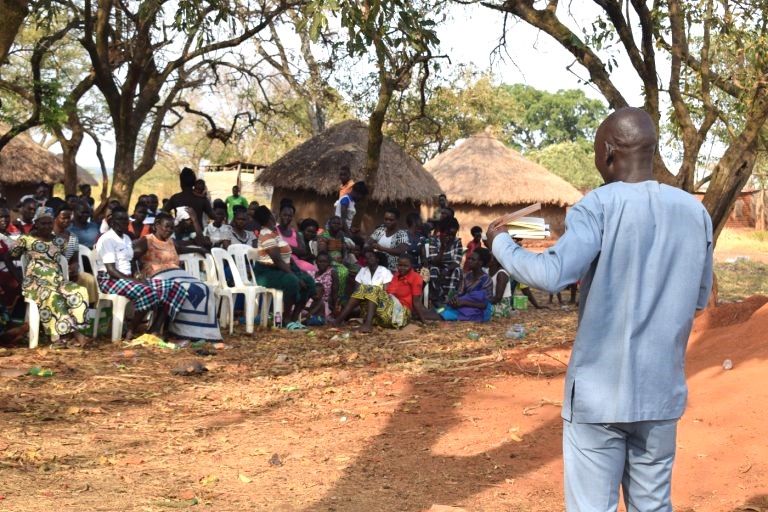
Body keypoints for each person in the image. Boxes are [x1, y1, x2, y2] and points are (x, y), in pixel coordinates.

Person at [487, 107, 714, 512]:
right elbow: (698, 299)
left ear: (608, 152)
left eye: (596, 151)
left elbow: (552, 273)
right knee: (653, 505)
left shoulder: (597, 206)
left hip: (598, 397)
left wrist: (500, 242)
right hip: (660, 395)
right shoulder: (694, 212)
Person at [95, 207, 188, 339]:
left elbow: (131, 261)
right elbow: (111, 270)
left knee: (174, 287)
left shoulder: (126, 238)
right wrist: (134, 280)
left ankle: (154, 330)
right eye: (120, 220)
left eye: (126, 220)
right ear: (112, 222)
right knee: (148, 291)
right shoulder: (107, 239)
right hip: (109, 280)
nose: (124, 222)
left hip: (126, 279)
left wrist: (137, 275)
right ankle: (131, 329)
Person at [9, 207, 90, 347]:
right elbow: (9, 256)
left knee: (79, 291)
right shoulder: (26, 239)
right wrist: (18, 277)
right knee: (53, 296)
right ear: (36, 223)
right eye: (43, 223)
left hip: (57, 280)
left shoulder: (59, 241)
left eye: (49, 223)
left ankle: (69, 334)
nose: (47, 226)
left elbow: (64, 260)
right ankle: (69, 335)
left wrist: (72, 268)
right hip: (35, 282)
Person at [133, 213, 222, 340]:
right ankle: (178, 329)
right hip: (156, 275)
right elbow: (131, 256)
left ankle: (199, 330)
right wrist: (137, 274)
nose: (169, 230)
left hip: (176, 273)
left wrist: (199, 249)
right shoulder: (146, 240)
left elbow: (182, 249)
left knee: (203, 288)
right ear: (156, 225)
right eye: (166, 226)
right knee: (182, 288)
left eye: (172, 227)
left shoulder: (171, 242)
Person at [249, 206, 316, 329]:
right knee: (292, 281)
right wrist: (295, 275)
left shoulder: (274, 232)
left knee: (308, 281)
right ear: (269, 217)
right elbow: (277, 260)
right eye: (272, 213)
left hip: (281, 269)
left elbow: (285, 256)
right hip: (267, 272)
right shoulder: (266, 234)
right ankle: (286, 318)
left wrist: (296, 270)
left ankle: (294, 318)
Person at [332, 249, 397, 333]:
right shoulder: (362, 271)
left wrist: (371, 292)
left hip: (384, 307)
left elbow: (387, 292)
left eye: (370, 256)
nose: (368, 258)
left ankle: (368, 325)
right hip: (366, 307)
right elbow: (357, 291)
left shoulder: (384, 271)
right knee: (363, 289)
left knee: (372, 289)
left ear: (377, 259)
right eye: (366, 257)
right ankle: (338, 320)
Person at [52, 203, 99, 305]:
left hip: (69, 274)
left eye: (69, 218)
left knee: (89, 279)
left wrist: (74, 267)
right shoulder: (49, 235)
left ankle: (90, 309)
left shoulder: (73, 237)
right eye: (64, 218)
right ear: (55, 217)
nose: (67, 220)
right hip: (52, 273)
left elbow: (75, 260)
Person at [436, 248, 493, 322]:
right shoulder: (467, 276)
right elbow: (460, 293)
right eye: (469, 258)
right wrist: (455, 299)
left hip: (480, 312)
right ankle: (425, 313)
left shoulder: (486, 280)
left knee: (447, 314)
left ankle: (426, 315)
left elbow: (484, 305)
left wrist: (464, 302)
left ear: (480, 263)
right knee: (441, 309)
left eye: (473, 259)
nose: (469, 261)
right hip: (466, 306)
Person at [426, 217, 463, 307]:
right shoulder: (433, 241)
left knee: (457, 270)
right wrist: (443, 247)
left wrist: (447, 269)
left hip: (450, 268)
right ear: (442, 232)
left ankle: (448, 299)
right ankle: (437, 298)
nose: (451, 237)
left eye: (453, 234)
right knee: (434, 270)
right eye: (448, 234)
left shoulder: (457, 242)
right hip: (436, 266)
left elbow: (456, 262)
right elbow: (434, 261)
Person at [317, 215, 354, 301]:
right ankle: (337, 298)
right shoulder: (324, 235)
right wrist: (332, 262)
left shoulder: (340, 234)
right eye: (334, 223)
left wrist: (344, 258)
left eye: (339, 224)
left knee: (358, 270)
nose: (336, 225)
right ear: (329, 224)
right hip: (329, 261)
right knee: (343, 272)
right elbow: (322, 252)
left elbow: (344, 249)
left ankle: (348, 298)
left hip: (341, 261)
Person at [276, 203, 317, 274]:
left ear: (292, 217)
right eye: (285, 215)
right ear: (280, 214)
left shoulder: (295, 232)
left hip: (297, 262)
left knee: (314, 270)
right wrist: (295, 250)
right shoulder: (274, 230)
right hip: (281, 262)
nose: (287, 218)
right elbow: (276, 248)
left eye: (290, 216)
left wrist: (285, 246)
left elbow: (303, 251)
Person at [367, 207, 409, 272]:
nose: (388, 222)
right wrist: (370, 246)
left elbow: (401, 251)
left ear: (397, 220)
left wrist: (382, 248)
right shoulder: (380, 230)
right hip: (377, 268)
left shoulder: (402, 234)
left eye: (391, 220)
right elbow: (368, 243)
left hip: (392, 269)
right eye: (386, 219)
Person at [306, 252, 338, 324]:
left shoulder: (332, 273)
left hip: (322, 303)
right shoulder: (310, 273)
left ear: (329, 263)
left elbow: (335, 292)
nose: (322, 264)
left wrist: (334, 308)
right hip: (308, 301)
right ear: (316, 262)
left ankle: (311, 317)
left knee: (318, 312)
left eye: (325, 262)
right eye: (320, 262)